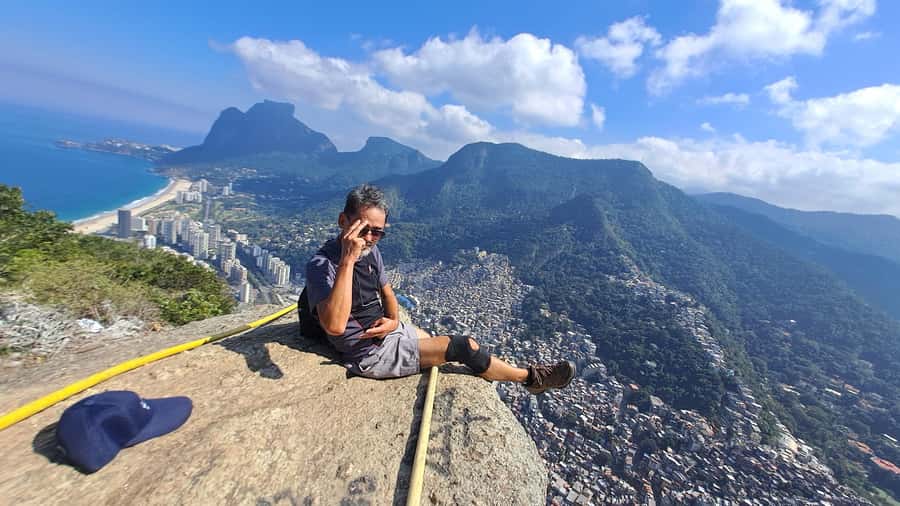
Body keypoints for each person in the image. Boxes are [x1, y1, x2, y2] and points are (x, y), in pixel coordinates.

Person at [301, 184, 575, 394]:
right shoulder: (322, 265)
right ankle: (530, 378)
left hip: (386, 332)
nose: (370, 238)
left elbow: (387, 292)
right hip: (368, 354)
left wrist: (394, 320)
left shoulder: (372, 252)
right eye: (364, 229)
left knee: (428, 337)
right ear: (343, 221)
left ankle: (506, 370)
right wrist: (348, 258)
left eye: (378, 231)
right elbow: (335, 326)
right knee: (462, 346)